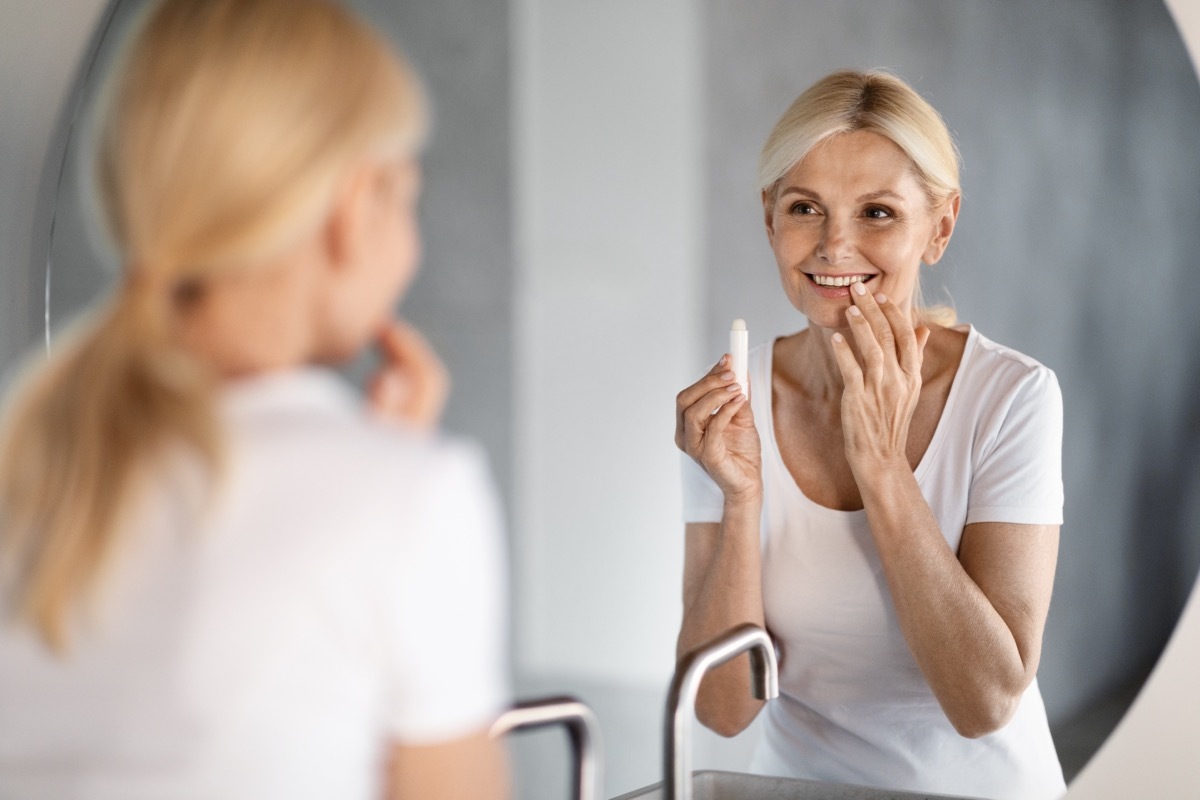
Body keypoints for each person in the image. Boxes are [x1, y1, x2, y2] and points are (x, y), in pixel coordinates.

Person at [0, 1, 509, 798]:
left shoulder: (26, 465)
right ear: (352, 208)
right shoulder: (413, 498)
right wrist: (390, 483)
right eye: (407, 195)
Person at [674, 70, 1065, 800]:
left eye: (878, 212)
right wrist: (744, 499)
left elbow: (985, 702)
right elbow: (721, 709)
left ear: (939, 227)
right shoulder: (729, 408)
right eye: (804, 208)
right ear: (769, 220)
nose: (834, 246)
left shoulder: (1012, 398)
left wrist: (883, 466)